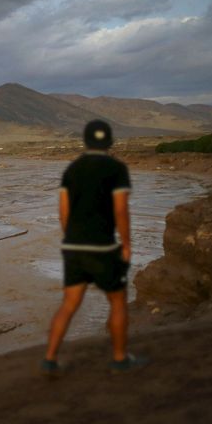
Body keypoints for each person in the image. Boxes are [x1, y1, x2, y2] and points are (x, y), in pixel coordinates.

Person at [42, 119, 143, 376]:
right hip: (103, 249)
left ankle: (50, 359)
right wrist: (127, 245)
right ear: (109, 142)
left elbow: (63, 211)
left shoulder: (72, 169)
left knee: (69, 304)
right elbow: (120, 209)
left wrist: (73, 238)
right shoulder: (116, 168)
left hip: (74, 247)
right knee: (118, 301)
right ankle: (120, 359)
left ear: (85, 141)